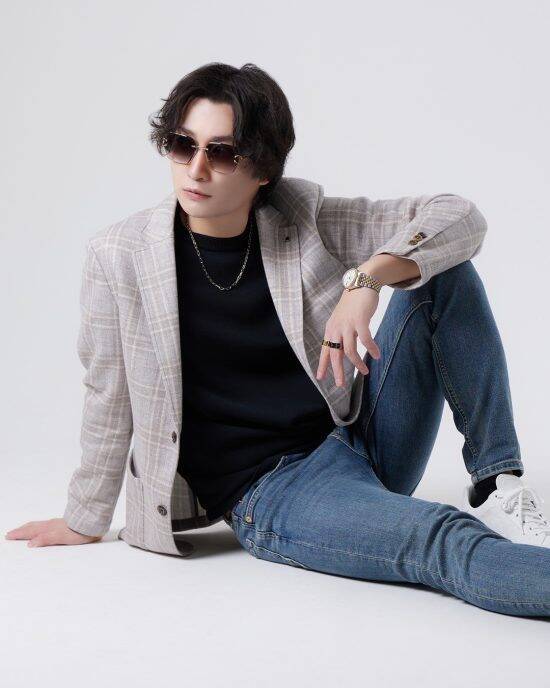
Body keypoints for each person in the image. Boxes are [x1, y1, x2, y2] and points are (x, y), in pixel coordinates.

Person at [6, 62, 550, 618]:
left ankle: (496, 483)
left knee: (439, 270)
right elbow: (107, 394)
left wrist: (366, 280)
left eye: (222, 153)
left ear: (263, 170)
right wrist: (85, 517)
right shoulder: (120, 256)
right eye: (182, 145)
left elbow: (458, 217)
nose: (196, 169)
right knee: (443, 537)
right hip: (276, 488)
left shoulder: (300, 218)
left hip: (361, 436)